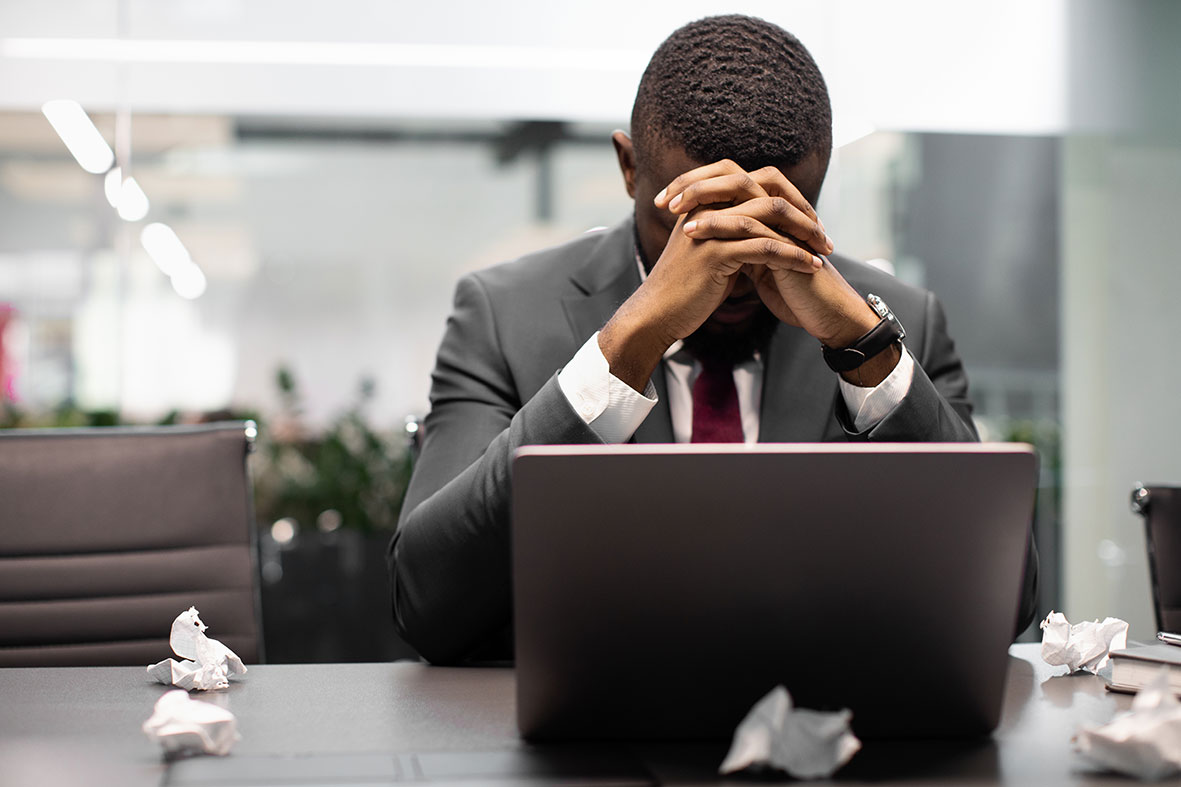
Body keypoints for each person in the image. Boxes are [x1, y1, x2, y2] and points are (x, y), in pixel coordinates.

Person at [389, 14, 1038, 664]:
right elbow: (427, 603)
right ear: (627, 167)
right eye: (695, 225)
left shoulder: (898, 321)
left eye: (776, 223)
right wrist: (626, 344)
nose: (734, 274)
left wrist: (863, 350)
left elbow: (1005, 604)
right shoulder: (504, 314)